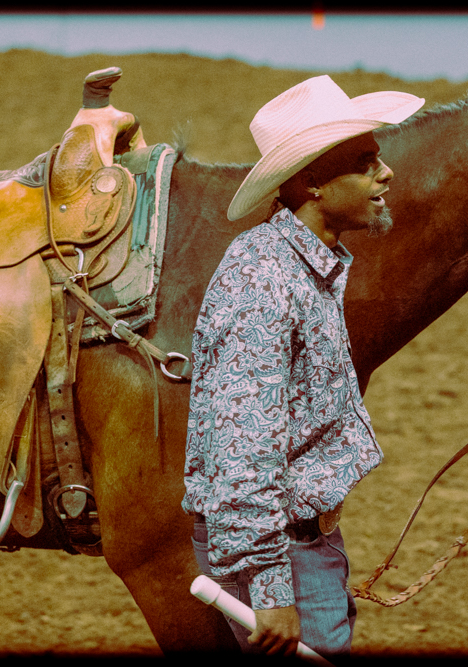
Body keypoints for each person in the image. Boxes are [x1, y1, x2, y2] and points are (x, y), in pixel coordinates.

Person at [182, 75, 424, 658]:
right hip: (279, 554)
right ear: (313, 181)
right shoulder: (265, 278)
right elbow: (241, 446)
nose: (385, 173)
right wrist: (270, 588)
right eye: (366, 162)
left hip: (306, 541)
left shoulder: (307, 265)